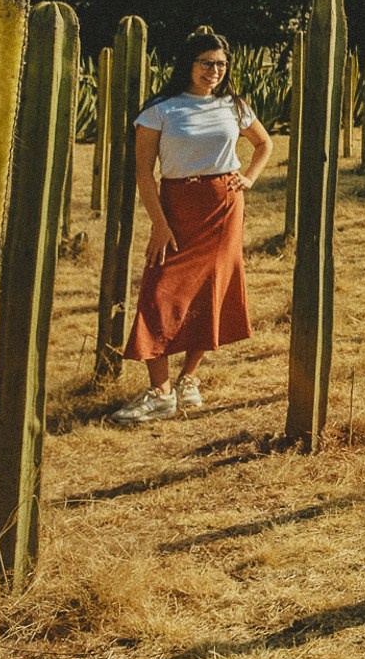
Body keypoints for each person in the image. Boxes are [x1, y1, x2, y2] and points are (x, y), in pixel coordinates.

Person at [111, 28, 272, 424]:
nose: (214, 71)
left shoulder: (234, 106)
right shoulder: (160, 109)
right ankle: (159, 392)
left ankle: (187, 379)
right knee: (160, 292)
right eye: (206, 63)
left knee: (211, 291)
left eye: (220, 64)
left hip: (223, 207)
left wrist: (248, 177)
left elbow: (264, 144)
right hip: (177, 207)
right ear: (188, 64)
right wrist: (159, 225)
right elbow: (144, 174)